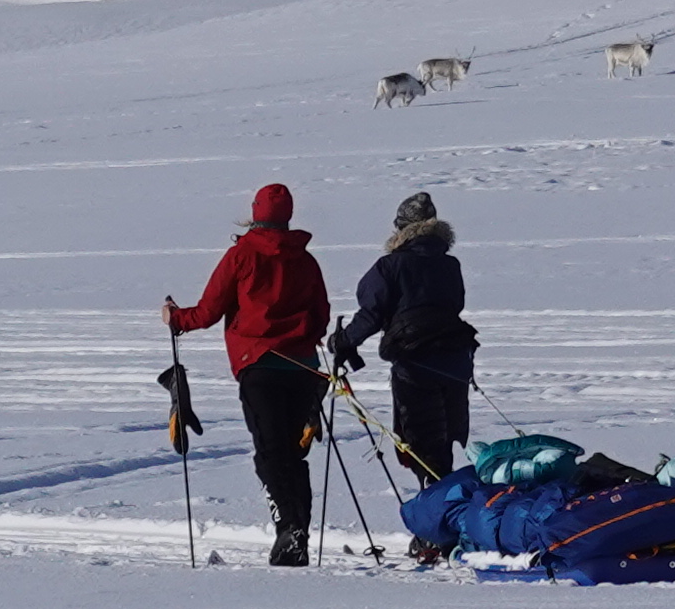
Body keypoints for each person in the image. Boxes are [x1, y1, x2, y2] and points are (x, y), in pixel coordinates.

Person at [166, 182, 334, 567]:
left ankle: (289, 530)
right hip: (303, 367)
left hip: (259, 364)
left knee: (270, 454)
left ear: (256, 213)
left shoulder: (241, 255)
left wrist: (175, 318)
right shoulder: (305, 260)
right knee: (292, 455)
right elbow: (321, 314)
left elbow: (208, 312)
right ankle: (297, 531)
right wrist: (303, 338)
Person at [329, 188, 477, 544]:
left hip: (415, 365)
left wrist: (344, 341)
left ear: (401, 229)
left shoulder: (390, 266)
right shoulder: (449, 264)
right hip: (456, 363)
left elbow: (371, 312)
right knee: (443, 444)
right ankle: (447, 518)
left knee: (419, 445)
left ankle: (435, 528)